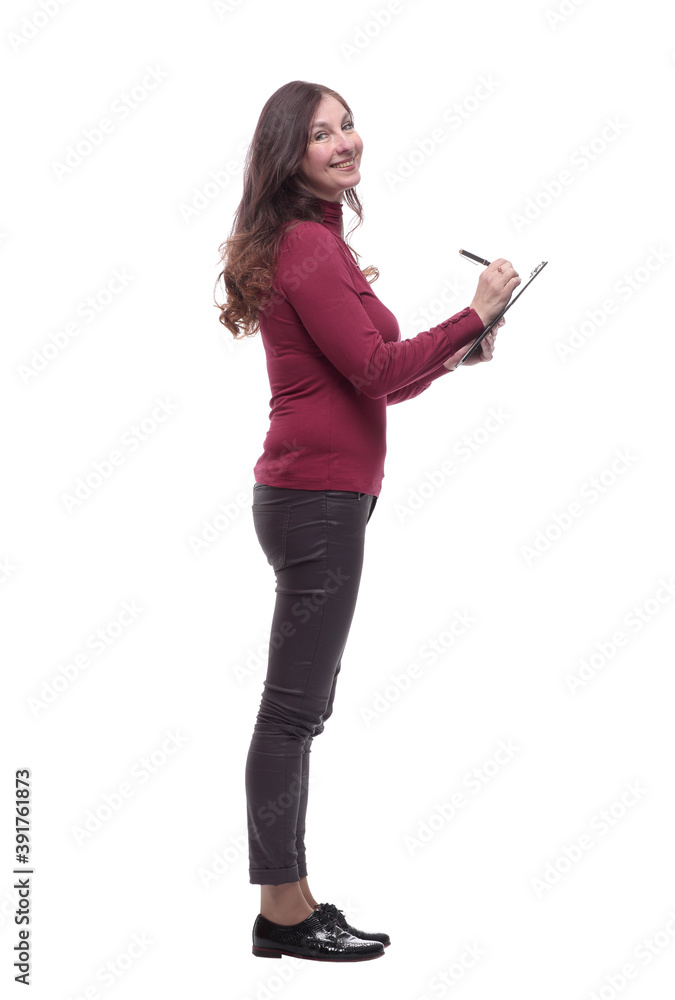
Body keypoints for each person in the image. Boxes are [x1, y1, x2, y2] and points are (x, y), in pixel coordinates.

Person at [214, 80, 521, 963]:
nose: (345, 141)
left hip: (318, 498)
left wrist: (457, 352)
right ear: (290, 156)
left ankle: (293, 900)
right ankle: (281, 912)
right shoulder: (307, 247)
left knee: (299, 710)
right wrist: (473, 312)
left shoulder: (315, 243)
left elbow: (373, 379)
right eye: (321, 133)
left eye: (347, 124)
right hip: (314, 502)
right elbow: (378, 371)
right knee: (291, 713)